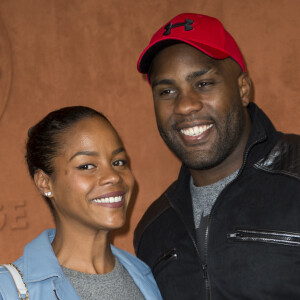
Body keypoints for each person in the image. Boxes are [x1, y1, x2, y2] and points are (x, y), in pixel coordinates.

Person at [134, 12, 300, 300]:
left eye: (204, 84)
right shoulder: (153, 230)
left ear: (243, 89)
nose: (185, 105)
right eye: (167, 90)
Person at [0, 106, 162, 300]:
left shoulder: (144, 274)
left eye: (118, 162)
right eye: (87, 166)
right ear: (45, 182)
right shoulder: (8, 291)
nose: (113, 176)